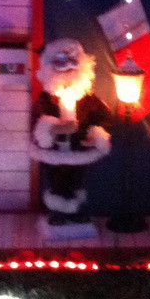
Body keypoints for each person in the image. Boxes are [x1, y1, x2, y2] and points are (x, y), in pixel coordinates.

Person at [30, 39, 111, 237]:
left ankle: (75, 211)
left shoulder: (88, 100)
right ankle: (58, 212)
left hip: (78, 149)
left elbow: (103, 118)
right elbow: (38, 123)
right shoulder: (47, 99)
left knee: (76, 180)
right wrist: (55, 129)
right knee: (56, 180)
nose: (66, 74)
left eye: (71, 68)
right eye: (60, 69)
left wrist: (95, 135)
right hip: (55, 151)